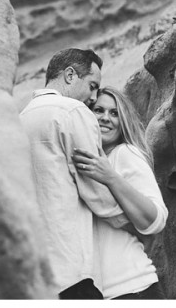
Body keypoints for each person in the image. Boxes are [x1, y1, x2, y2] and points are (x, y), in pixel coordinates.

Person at [20, 48, 130, 299]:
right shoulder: (72, 111)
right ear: (70, 75)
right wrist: (135, 220)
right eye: (92, 85)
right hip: (73, 270)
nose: (94, 97)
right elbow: (97, 191)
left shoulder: (21, 118)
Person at [72, 86, 168, 299]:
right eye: (99, 110)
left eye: (114, 113)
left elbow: (156, 220)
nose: (106, 118)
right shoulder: (87, 161)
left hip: (134, 288)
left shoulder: (125, 153)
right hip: (99, 294)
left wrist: (110, 177)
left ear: (123, 120)